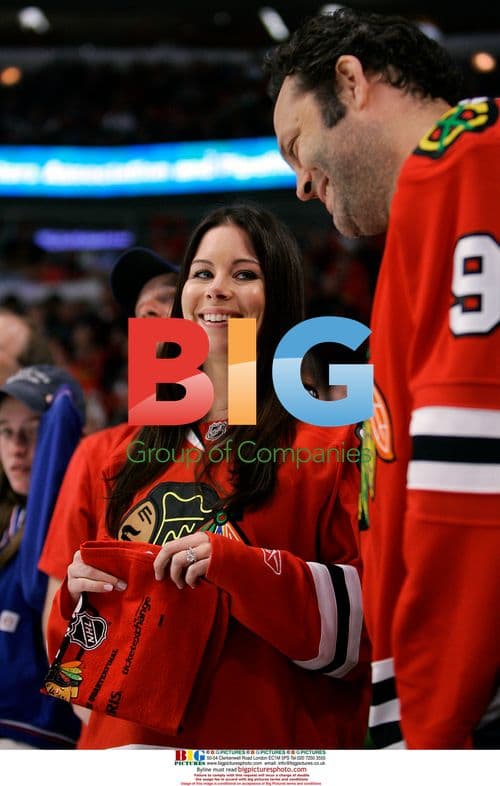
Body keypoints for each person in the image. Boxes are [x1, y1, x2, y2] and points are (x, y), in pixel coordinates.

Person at [43, 203, 369, 749]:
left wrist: (240, 568)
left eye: (244, 274)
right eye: (202, 273)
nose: (216, 289)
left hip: (256, 759)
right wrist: (78, 597)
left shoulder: (331, 447)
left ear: (281, 298)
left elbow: (368, 632)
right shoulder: (121, 456)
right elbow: (76, 666)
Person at [264, 8, 500, 749]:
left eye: (297, 146)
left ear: (350, 81)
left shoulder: (468, 160)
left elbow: (471, 476)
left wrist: (433, 727)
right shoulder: (435, 200)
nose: (301, 184)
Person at [39, 247, 178, 664]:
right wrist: (100, 719)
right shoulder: (97, 454)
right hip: (117, 719)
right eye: (145, 315)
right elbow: (56, 619)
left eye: (173, 303)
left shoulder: (266, 452)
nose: (157, 322)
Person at [0, 364, 85, 748]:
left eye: (34, 431)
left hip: (39, 739)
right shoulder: (10, 521)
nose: (17, 446)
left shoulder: (70, 528)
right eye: (5, 430)